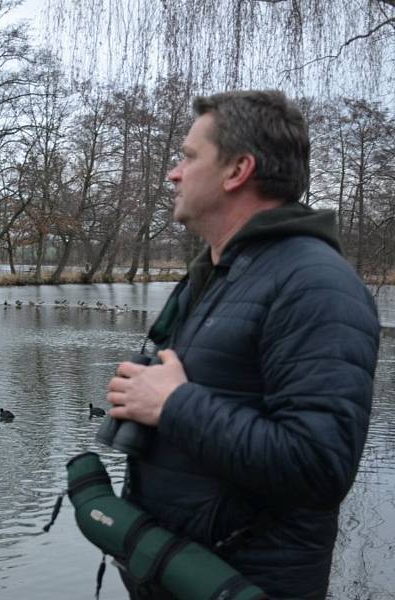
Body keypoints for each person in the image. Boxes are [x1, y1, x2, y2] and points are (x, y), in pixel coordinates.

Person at [105, 90, 380, 599]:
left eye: (189, 157)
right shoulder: (215, 275)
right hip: (175, 578)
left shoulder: (316, 285)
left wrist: (174, 404)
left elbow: (318, 467)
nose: (173, 173)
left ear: (237, 171)